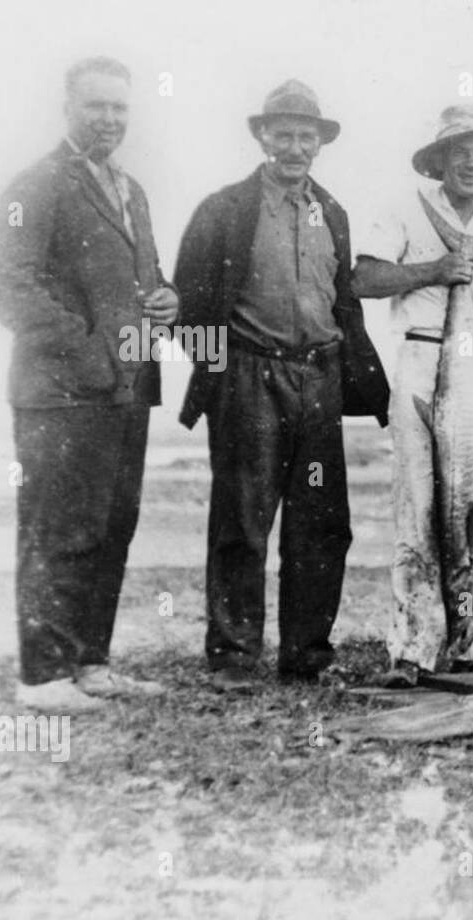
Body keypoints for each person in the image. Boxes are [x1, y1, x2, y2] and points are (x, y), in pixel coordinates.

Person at [174, 80, 388, 692]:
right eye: (284, 133)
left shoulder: (334, 212)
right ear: (263, 136)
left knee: (320, 521)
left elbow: (343, 304)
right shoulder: (223, 209)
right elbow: (190, 306)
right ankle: (234, 656)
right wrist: (219, 380)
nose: (295, 146)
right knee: (243, 517)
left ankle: (307, 657)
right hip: (249, 378)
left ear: (320, 142)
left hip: (318, 381)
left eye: (307, 135)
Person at [0, 57, 177, 710]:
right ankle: (43, 677)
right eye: (97, 106)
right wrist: (88, 350)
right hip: (61, 396)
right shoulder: (35, 185)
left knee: (110, 527)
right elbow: (8, 282)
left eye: (120, 108)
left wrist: (165, 299)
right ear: (67, 107)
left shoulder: (132, 189)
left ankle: (91, 662)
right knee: (58, 527)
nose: (110, 119)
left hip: (127, 391)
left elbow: (145, 276)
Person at [352, 104, 473, 688]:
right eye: (459, 151)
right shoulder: (402, 208)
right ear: (439, 159)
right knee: (418, 510)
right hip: (422, 361)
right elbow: (364, 278)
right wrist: (435, 270)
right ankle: (413, 648)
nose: (471, 161)